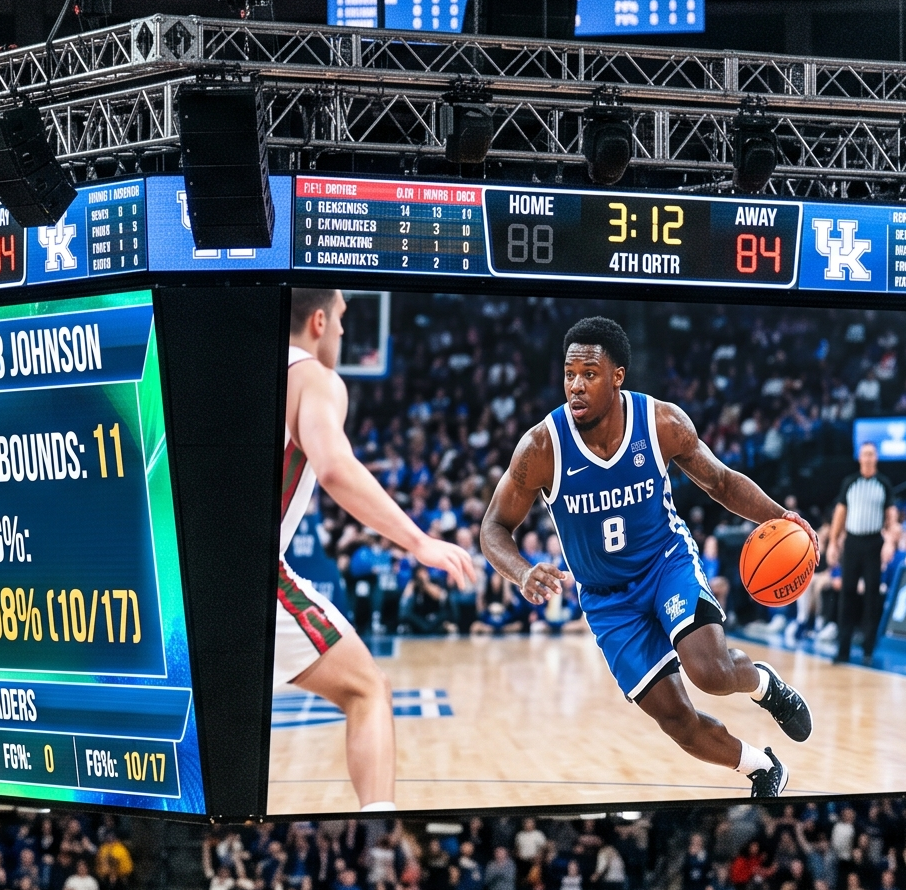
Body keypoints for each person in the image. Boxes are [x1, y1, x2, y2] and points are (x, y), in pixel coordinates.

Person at [477, 316, 812, 798]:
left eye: (589, 374)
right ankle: (761, 767)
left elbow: (720, 482)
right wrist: (521, 570)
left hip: (665, 565)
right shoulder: (542, 446)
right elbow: (493, 525)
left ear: (617, 376)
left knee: (711, 673)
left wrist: (782, 516)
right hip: (607, 600)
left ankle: (764, 685)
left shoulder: (661, 423)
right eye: (569, 374)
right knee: (677, 720)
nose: (575, 386)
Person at [276, 286, 484, 811]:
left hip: (166, 561)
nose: (346, 332)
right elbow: (335, 468)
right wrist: (419, 542)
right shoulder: (312, 378)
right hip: (240, 574)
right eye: (343, 318)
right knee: (368, 689)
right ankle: (378, 830)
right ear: (319, 321)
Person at [824, 443, 890, 663]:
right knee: (847, 595)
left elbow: (891, 517)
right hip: (852, 542)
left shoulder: (884, 484)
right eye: (865, 454)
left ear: (876, 457)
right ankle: (843, 649)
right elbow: (840, 514)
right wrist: (833, 543)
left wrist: (890, 542)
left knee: (872, 596)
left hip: (874, 543)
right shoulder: (850, 483)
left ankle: (868, 650)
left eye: (871, 454)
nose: (868, 458)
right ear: (860, 458)